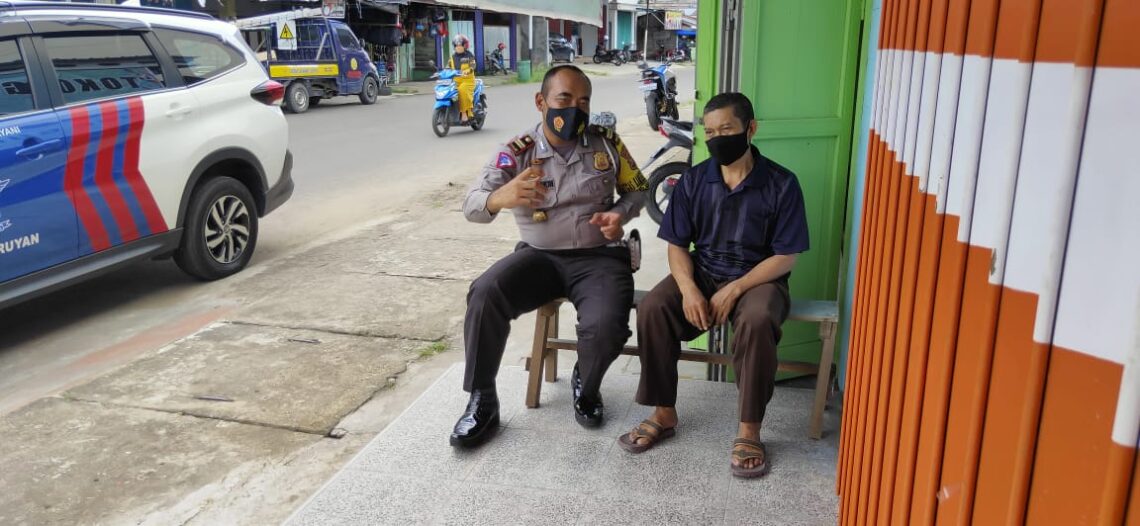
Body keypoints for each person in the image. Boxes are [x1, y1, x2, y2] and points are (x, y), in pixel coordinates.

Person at [451, 65, 649, 448]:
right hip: (539, 257)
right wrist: (500, 198)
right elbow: (471, 205)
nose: (574, 108)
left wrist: (620, 214)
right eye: (564, 99)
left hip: (600, 256)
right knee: (485, 293)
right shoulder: (516, 152)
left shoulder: (606, 143)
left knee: (607, 324)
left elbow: (638, 189)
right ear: (541, 101)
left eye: (583, 101)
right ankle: (482, 400)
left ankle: (586, 385)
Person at [617, 92, 810, 479]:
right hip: (703, 272)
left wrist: (736, 288)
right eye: (710, 132)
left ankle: (749, 430)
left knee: (756, 321)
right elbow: (676, 245)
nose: (718, 138)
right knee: (655, 306)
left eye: (727, 129)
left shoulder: (781, 184)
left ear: (750, 129)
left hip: (758, 279)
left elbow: (785, 256)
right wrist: (689, 289)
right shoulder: (693, 181)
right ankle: (664, 412)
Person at [447, 35, 477, 124]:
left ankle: (464, 113)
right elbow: (447, 67)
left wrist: (469, 70)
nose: (458, 47)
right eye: (456, 46)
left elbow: (473, 65)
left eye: (460, 45)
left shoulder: (469, 55)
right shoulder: (452, 57)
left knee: (461, 90)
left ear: (464, 46)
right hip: (456, 81)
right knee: (447, 91)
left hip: (467, 80)